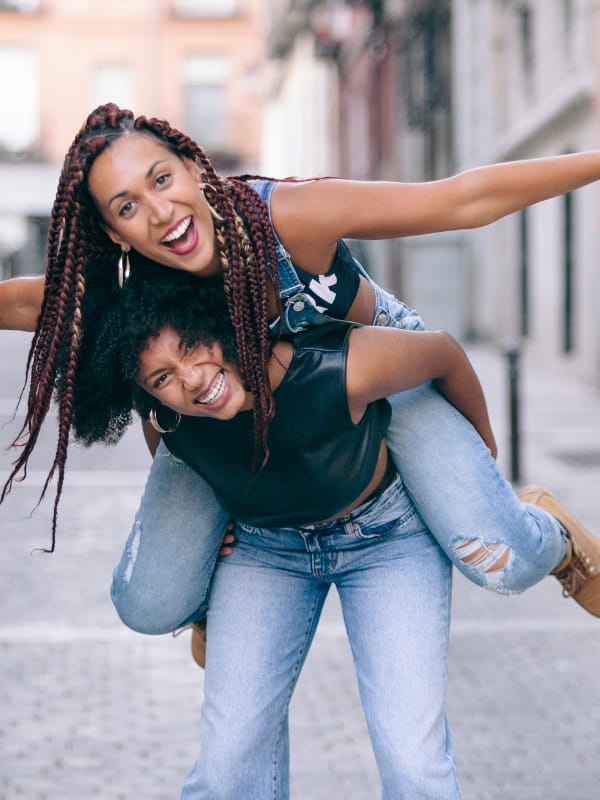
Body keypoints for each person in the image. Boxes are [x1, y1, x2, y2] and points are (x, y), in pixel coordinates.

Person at [1, 103, 600, 635]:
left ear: (189, 163)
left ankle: (556, 537)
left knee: (500, 562)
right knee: (153, 602)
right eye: (128, 206)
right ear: (113, 231)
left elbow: (463, 199)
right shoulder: (120, 287)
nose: (159, 213)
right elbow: (16, 302)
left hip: (378, 371)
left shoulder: (288, 219)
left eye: (162, 179)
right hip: (242, 415)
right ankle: (213, 597)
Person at [73, 265, 593, 799]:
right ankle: (210, 614)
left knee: (415, 770)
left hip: (388, 540)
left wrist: (480, 469)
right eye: (161, 378)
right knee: (225, 776)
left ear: (219, 325)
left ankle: (549, 532)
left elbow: (442, 353)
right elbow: (176, 456)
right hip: (264, 551)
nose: (191, 379)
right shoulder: (171, 419)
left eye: (192, 348)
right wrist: (203, 546)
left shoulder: (335, 367)